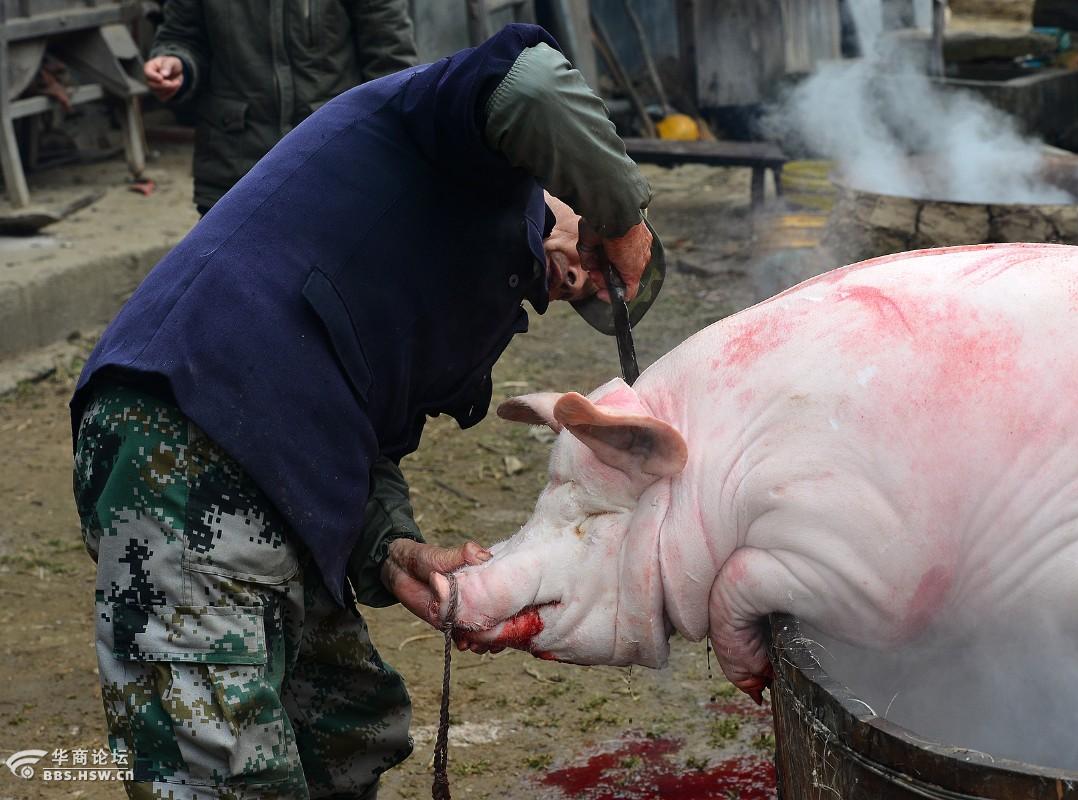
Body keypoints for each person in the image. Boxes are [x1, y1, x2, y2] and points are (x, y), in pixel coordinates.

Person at [71, 23, 665, 798]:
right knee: (221, 778)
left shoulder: (474, 315)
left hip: (276, 471)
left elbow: (368, 441)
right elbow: (533, 83)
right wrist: (622, 215)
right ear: (572, 197)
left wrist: (394, 550)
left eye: (585, 293)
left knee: (351, 724)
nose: (578, 275)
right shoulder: (464, 145)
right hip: (183, 429)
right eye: (590, 253)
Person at [143, 0, 419, 213]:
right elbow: (182, 34)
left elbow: (390, 63)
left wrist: (388, 163)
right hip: (235, 171)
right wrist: (177, 63)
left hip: (334, 165)